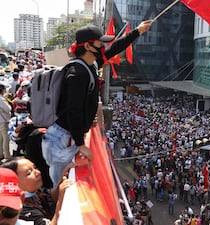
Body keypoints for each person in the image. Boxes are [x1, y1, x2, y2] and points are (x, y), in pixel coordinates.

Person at [41, 20, 153, 186]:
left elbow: (115, 48)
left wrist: (137, 31)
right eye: (100, 43)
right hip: (61, 139)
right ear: (87, 46)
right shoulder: (77, 73)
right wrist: (80, 144)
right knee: (61, 190)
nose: (103, 47)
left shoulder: (90, 65)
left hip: (68, 136)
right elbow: (74, 110)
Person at [1, 157, 74, 225]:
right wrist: (61, 200)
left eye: (34, 168)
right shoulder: (24, 211)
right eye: (29, 173)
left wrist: (64, 179)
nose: (37, 172)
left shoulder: (33, 191)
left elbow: (51, 196)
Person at [0, 82, 11, 161]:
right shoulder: (1, 98)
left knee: (0, 138)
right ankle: (7, 155)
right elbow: (8, 109)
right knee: (5, 138)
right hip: (2, 121)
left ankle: (1, 154)